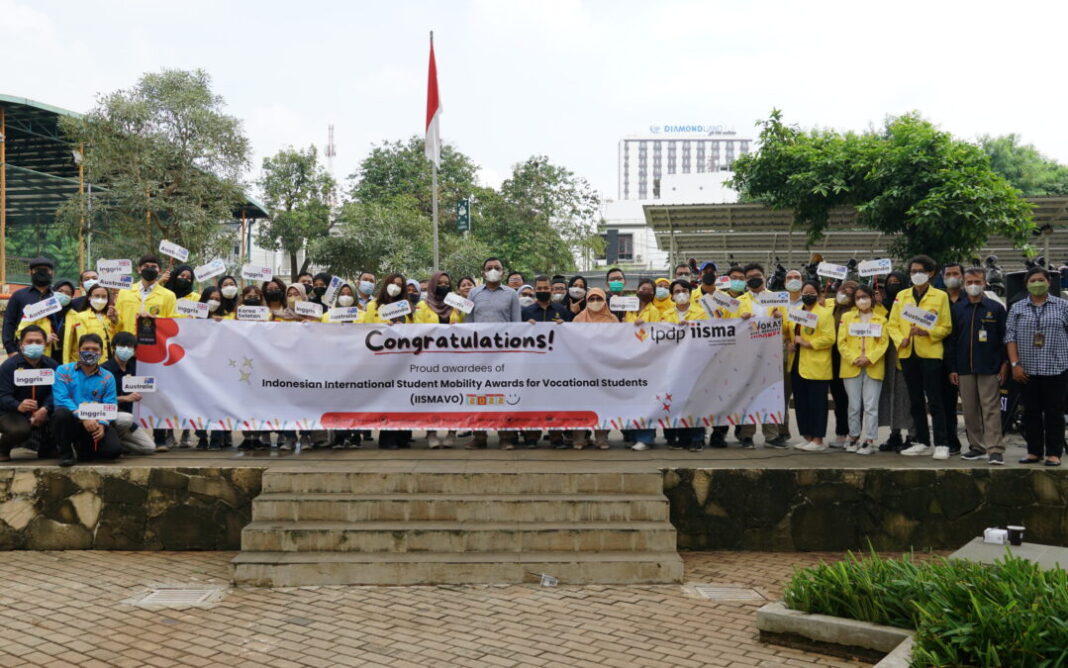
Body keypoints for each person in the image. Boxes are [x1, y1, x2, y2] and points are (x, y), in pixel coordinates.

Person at [888, 255, 952, 459]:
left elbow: (946, 327)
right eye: (913, 271)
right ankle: (922, 441)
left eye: (920, 271)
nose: (916, 275)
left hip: (931, 354)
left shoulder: (940, 296)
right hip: (907, 353)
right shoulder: (902, 296)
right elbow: (892, 324)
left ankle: (942, 443)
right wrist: (901, 339)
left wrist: (928, 332)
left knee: (935, 399)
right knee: (915, 400)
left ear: (930, 273)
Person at [1006, 266, 1068, 466]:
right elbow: (1010, 337)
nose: (1037, 284)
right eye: (1032, 281)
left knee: (1054, 413)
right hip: (1027, 369)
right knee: (1031, 412)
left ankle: (1054, 453)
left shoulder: (1063, 306)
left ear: (1049, 282)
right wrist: (1015, 364)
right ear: (1026, 284)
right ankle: (1034, 451)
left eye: (1041, 280)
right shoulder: (1017, 308)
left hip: (1056, 368)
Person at [947, 268, 1007, 465]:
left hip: (989, 366)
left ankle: (995, 449)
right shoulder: (958, 309)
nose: (973, 285)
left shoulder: (996, 308)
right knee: (969, 410)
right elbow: (952, 341)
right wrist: (952, 367)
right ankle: (977, 447)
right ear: (964, 284)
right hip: (964, 367)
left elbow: (1004, 338)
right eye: (969, 282)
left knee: (991, 409)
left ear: (985, 283)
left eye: (977, 281)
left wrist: (1004, 363)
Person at [467, 258, 521, 449]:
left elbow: (517, 325)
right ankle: (479, 437)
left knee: (503, 395)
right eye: (489, 268)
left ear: (503, 272)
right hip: (479, 353)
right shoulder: (473, 293)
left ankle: (505, 437)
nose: (493, 271)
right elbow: (468, 323)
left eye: (496, 268)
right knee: (478, 395)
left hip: (504, 353)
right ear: (483, 272)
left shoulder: (511, 294)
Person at [737, 262, 788, 447]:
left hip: (771, 354)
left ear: (764, 277)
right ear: (745, 280)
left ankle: (771, 435)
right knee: (748, 394)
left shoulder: (777, 299)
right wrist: (740, 320)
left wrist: (780, 319)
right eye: (750, 277)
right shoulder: (739, 301)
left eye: (757, 276)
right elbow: (730, 327)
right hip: (747, 354)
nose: (754, 279)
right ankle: (746, 434)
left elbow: (788, 327)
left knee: (770, 393)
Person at [52, 333, 122, 467]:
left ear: (101, 353)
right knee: (61, 414)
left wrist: (102, 424)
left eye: (95, 349)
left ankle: (83, 448)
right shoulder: (63, 370)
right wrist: (83, 416)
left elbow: (111, 404)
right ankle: (66, 454)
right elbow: (61, 399)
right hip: (72, 420)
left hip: (95, 422)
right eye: (86, 349)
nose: (90, 352)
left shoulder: (108, 377)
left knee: (113, 451)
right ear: (78, 351)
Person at [364, 273, 415, 450]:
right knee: (388, 399)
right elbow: (366, 328)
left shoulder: (407, 307)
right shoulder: (373, 305)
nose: (395, 287)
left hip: (404, 359)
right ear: (386, 284)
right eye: (393, 283)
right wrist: (385, 327)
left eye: (399, 284)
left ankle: (403, 437)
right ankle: (387, 438)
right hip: (382, 358)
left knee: (403, 398)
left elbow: (416, 329)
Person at [836, 285, 889, 455]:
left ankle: (870, 440)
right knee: (853, 406)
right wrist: (854, 358)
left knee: (871, 406)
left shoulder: (881, 319)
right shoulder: (847, 317)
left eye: (865, 296)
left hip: (873, 366)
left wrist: (869, 358)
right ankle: (853, 437)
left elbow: (883, 343)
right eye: (858, 297)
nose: (862, 300)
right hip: (851, 366)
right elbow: (841, 342)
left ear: (872, 298)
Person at [415, 271, 463, 448]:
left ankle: (451, 432)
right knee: (431, 398)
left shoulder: (456, 304)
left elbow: (468, 328)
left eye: (446, 283)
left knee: (454, 397)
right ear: (433, 286)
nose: (444, 286)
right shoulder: (423, 305)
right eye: (440, 283)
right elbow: (417, 330)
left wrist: (459, 325)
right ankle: (431, 433)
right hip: (430, 360)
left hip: (454, 359)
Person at [787, 281, 836, 451]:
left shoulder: (824, 314)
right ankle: (807, 436)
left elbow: (829, 338)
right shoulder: (796, 312)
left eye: (811, 292)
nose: (808, 295)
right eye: (805, 292)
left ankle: (818, 439)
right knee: (801, 403)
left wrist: (809, 343)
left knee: (817, 403)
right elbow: (790, 332)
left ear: (818, 294)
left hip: (816, 365)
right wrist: (790, 342)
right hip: (797, 363)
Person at [0, 326, 59, 461]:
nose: (34, 345)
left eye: (38, 342)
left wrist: (45, 408)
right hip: (12, 413)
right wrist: (18, 405)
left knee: (62, 417)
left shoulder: (52, 365)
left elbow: (57, 391)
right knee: (19, 430)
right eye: (29, 341)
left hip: (44, 411)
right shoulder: (9, 366)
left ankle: (47, 448)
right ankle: (3, 448)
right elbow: (2, 395)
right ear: (21, 345)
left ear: (45, 344)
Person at [570, 288, 615, 450]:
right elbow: (571, 342)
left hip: (604, 368)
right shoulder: (578, 319)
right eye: (591, 299)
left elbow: (618, 342)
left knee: (604, 404)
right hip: (583, 369)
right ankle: (579, 438)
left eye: (599, 298)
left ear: (604, 300)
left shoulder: (612, 319)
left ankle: (601, 438)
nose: (595, 302)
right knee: (581, 404)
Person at [665, 280, 707, 452]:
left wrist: (690, 327)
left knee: (695, 401)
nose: (681, 294)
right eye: (677, 291)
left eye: (684, 290)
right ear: (672, 296)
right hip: (673, 365)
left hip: (694, 363)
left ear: (690, 293)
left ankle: (697, 438)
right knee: (679, 402)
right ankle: (683, 438)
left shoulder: (701, 313)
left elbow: (706, 336)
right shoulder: (665, 315)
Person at [101, 331, 159, 455]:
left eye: (130, 347)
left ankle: (116, 443)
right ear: (114, 347)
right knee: (126, 419)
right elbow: (98, 400)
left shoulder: (135, 367)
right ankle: (108, 442)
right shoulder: (104, 370)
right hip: (109, 417)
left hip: (129, 420)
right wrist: (124, 398)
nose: (126, 350)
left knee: (149, 448)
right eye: (122, 346)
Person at [877, 271, 915, 452]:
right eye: (890, 282)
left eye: (896, 281)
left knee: (907, 397)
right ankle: (895, 434)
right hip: (887, 356)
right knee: (891, 395)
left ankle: (913, 435)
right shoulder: (882, 304)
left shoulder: (910, 302)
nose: (893, 284)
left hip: (906, 352)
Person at [3, 256, 61, 359]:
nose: (42, 272)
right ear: (29, 272)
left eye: (46, 270)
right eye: (37, 270)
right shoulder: (18, 296)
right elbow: (9, 323)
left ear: (52, 273)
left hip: (54, 353)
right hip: (23, 351)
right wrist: (11, 350)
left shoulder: (57, 296)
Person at [827, 280, 859, 447]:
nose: (846, 292)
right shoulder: (830, 306)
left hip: (851, 357)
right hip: (832, 356)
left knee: (853, 398)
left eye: (851, 290)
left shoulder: (859, 310)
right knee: (838, 397)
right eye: (844, 289)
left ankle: (855, 435)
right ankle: (841, 433)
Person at [114, 255, 177, 335]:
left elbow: (172, 323)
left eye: (153, 267)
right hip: (128, 340)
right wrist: (114, 319)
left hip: (154, 341)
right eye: (146, 266)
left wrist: (154, 319)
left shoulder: (169, 296)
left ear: (160, 271)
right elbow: (117, 321)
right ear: (139, 269)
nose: (149, 269)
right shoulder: (124, 292)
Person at [62, 283, 117, 364]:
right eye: (97, 296)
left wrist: (115, 321)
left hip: (109, 362)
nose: (100, 299)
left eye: (104, 297)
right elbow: (76, 342)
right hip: (88, 363)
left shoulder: (109, 317)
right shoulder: (80, 317)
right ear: (89, 297)